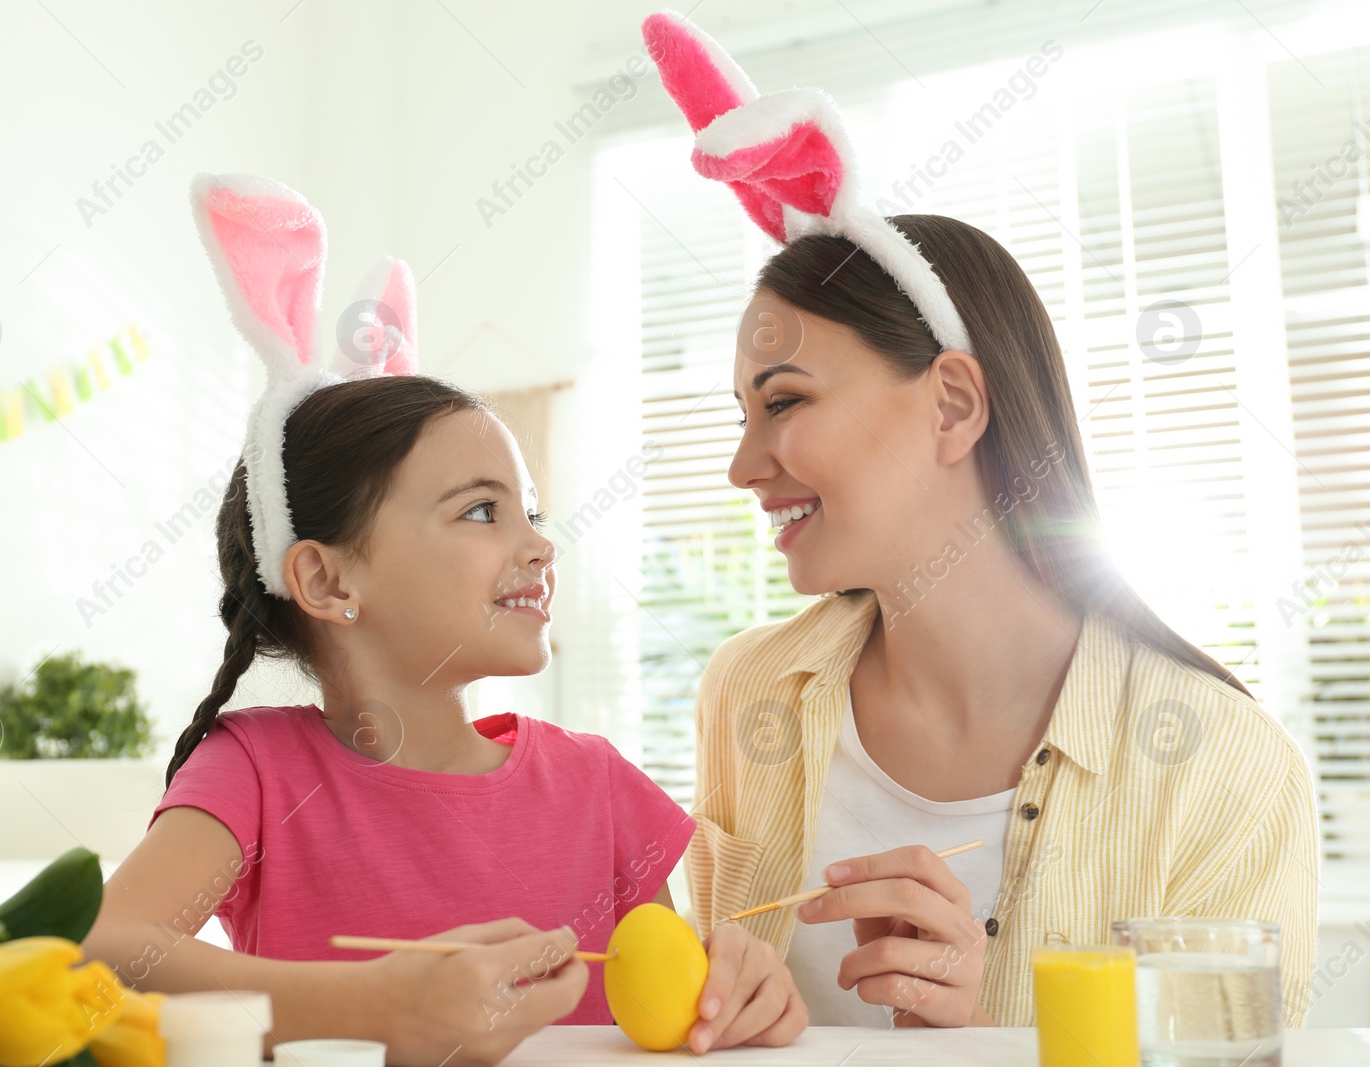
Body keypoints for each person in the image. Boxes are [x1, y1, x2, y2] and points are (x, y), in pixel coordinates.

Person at [641, 9, 1318, 1029]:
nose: (744, 466)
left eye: (783, 402)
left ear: (954, 403)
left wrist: (980, 1030)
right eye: (742, 414)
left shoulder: (1223, 764)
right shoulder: (747, 697)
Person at [79, 172, 807, 1064]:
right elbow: (104, 955)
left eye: (531, 512)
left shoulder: (596, 786)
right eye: (479, 510)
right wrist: (379, 1005)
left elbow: (658, 1012)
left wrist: (732, 993)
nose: (540, 546)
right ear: (326, 577)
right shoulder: (256, 770)